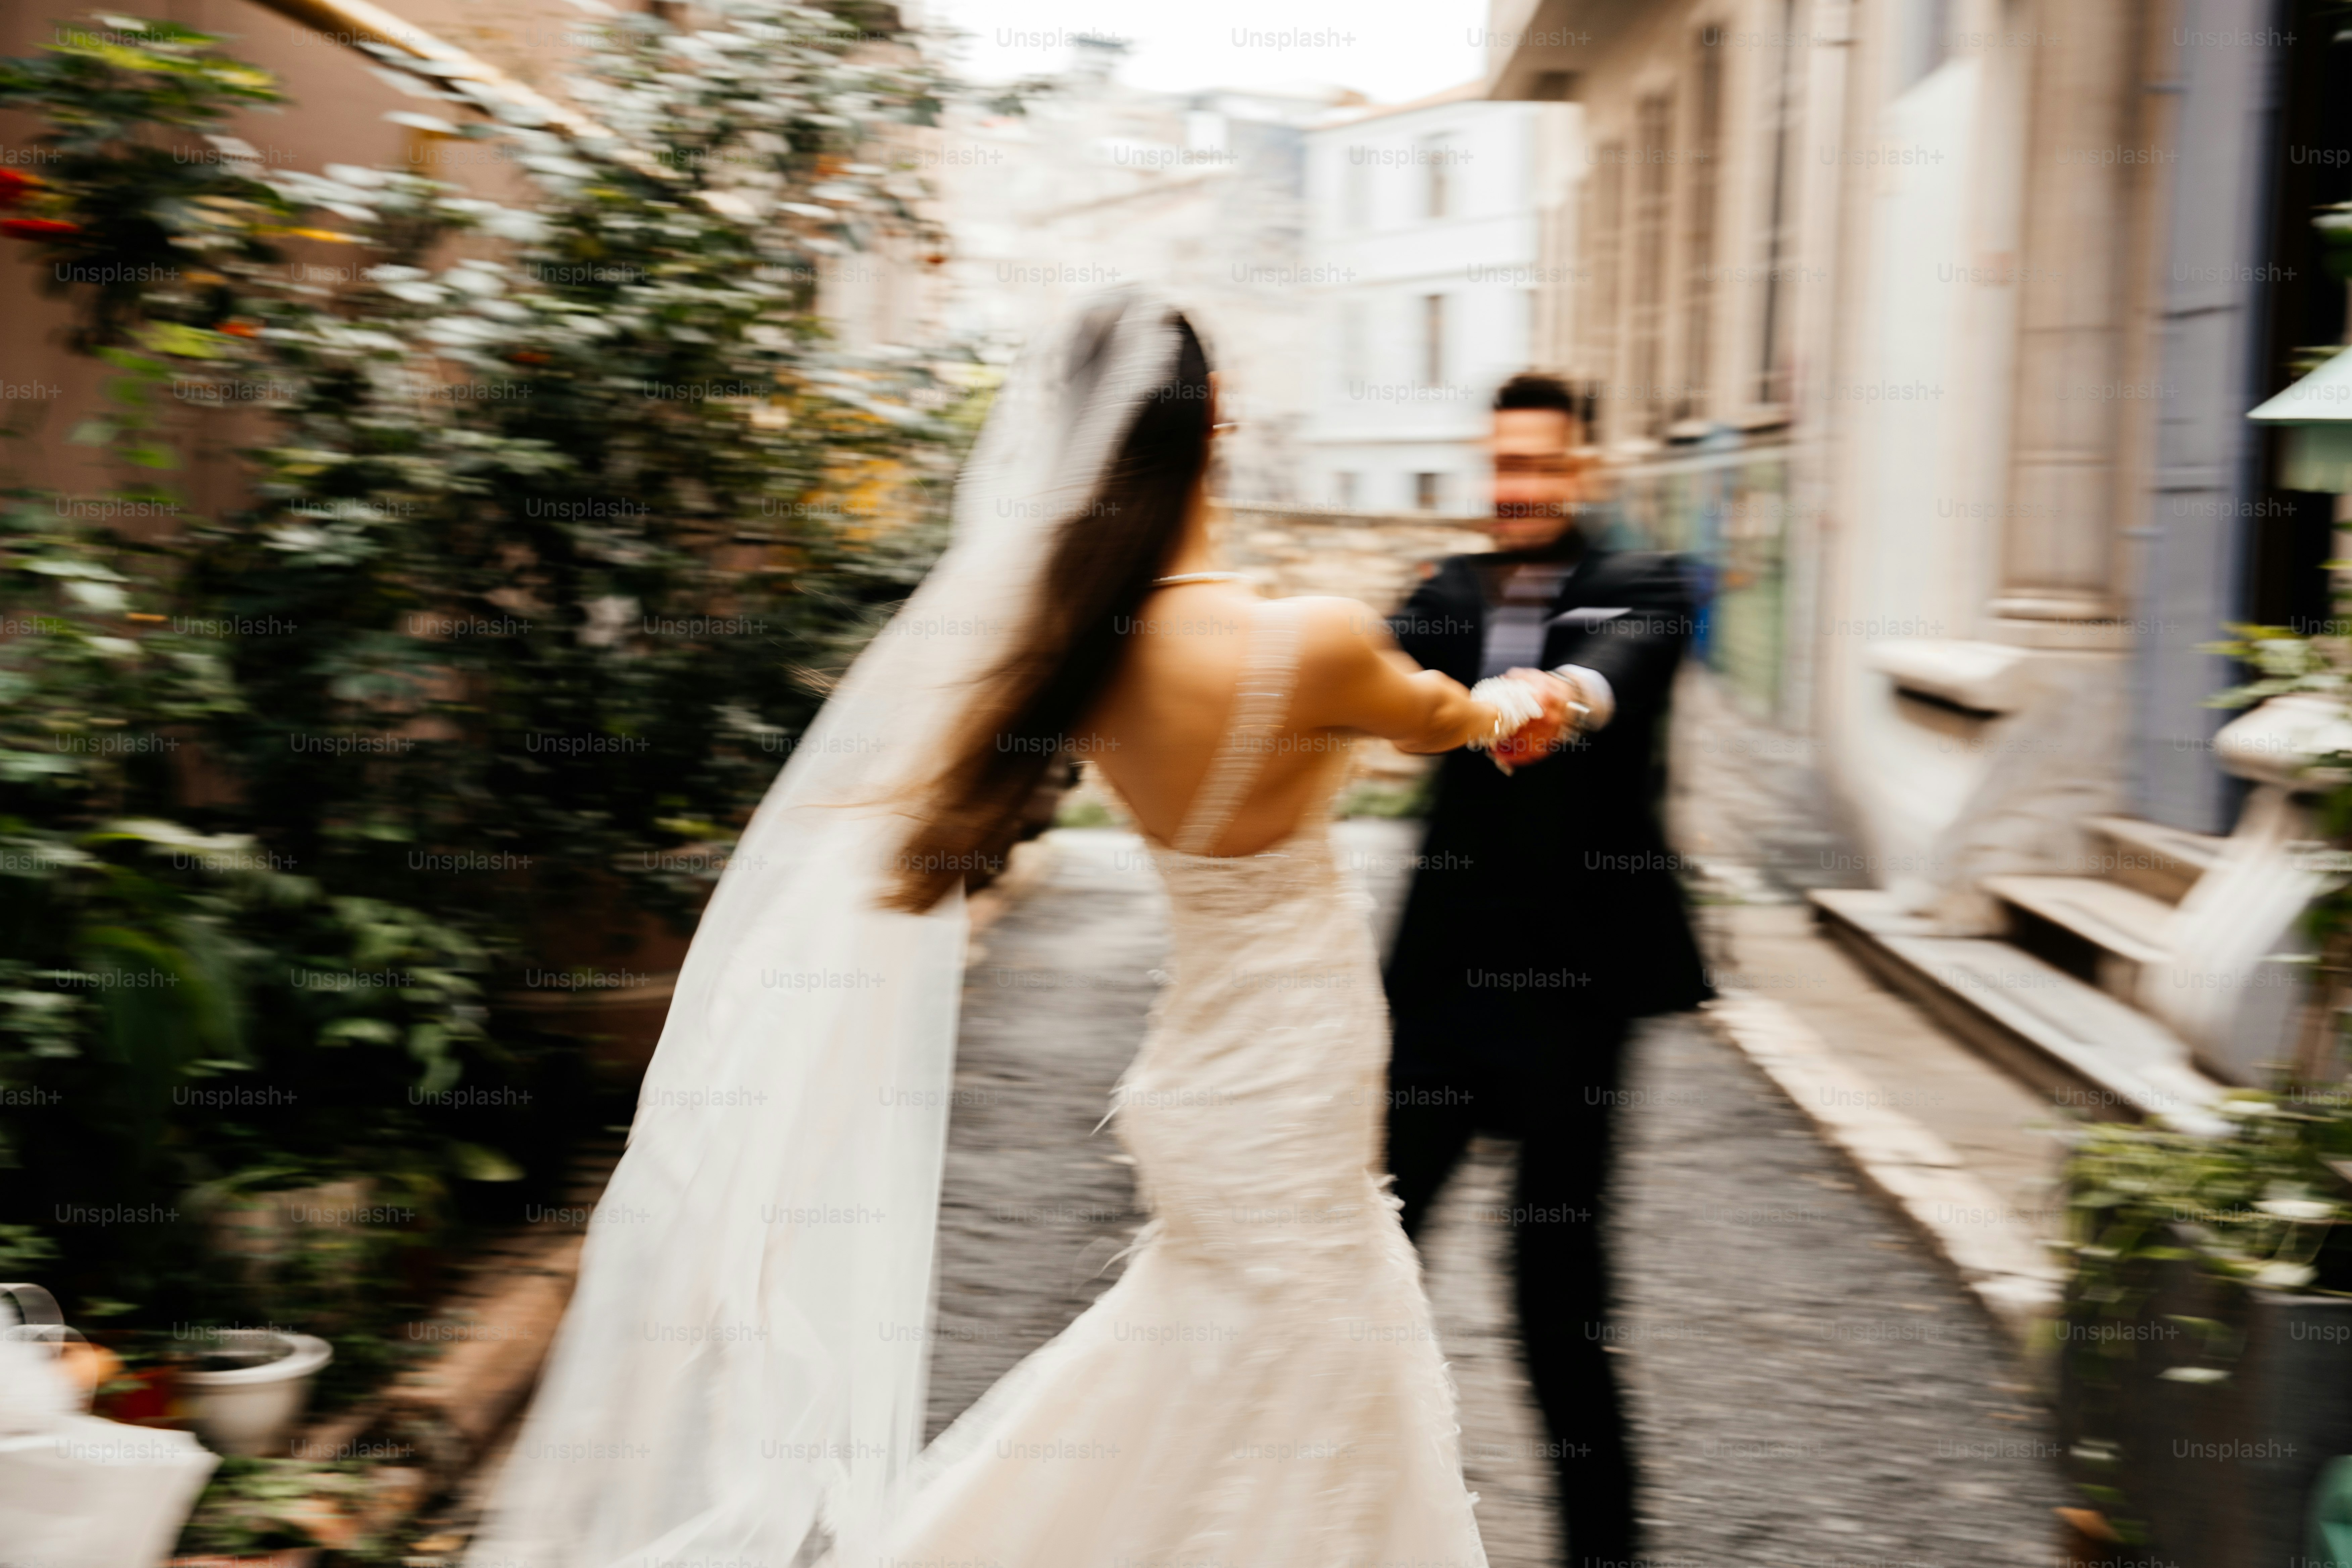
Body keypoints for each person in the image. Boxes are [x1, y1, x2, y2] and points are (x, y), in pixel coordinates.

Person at [466, 291, 1568, 1568]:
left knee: (1209, 1380)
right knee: (1299, 1376)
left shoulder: (1079, 655)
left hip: (1201, 1086)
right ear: (1218, 420)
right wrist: (1548, 696)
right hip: (1290, 1079)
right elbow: (1462, 719)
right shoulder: (1307, 639)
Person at [1383, 372, 1712, 1567]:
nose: (1519, 488)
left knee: (1557, 1311)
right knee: (1370, 1269)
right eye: (1504, 466)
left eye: (1542, 468)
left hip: (1577, 1007)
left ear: (1584, 473)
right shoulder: (1442, 591)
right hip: (1438, 1002)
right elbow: (1361, 682)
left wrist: (1561, 694)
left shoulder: (1645, 583)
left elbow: (1623, 660)